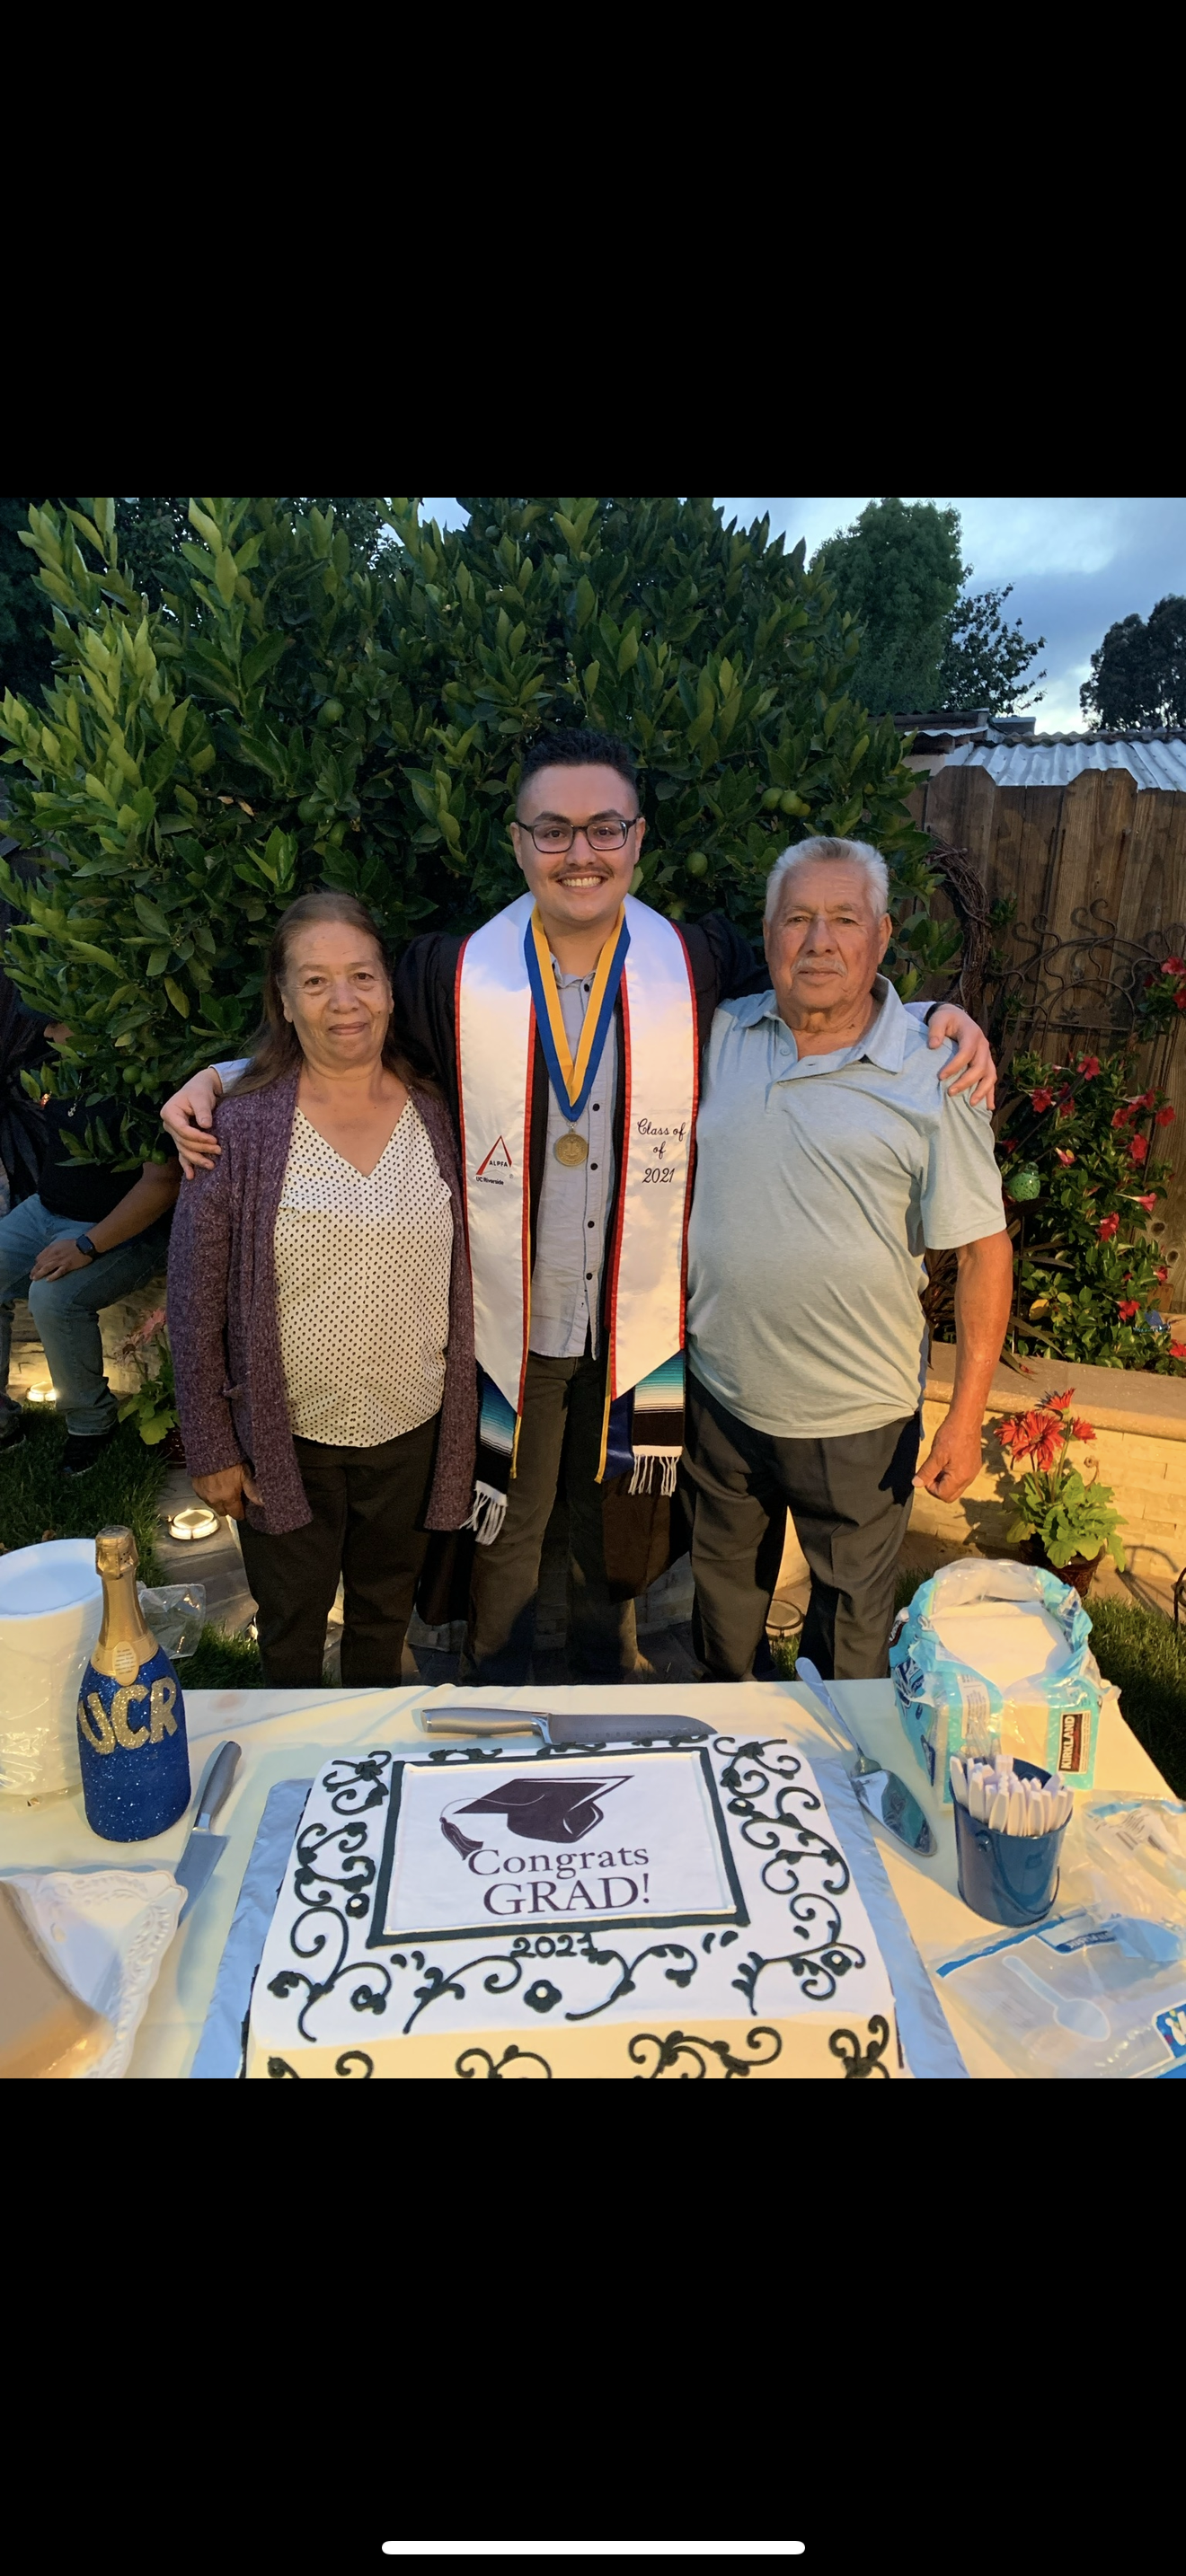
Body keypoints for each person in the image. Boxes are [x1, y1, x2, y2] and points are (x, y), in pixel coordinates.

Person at [161, 731, 996, 1684]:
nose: (581, 853)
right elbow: (346, 1041)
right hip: (515, 1327)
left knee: (618, 1526)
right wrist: (229, 1076)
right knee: (507, 1524)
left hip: (644, 1325)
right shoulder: (455, 974)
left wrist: (935, 1016)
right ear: (518, 844)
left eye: (604, 828)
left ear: (638, 841)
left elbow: (829, 983)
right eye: (553, 830)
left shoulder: (695, 963)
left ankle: (607, 1674)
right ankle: (497, 1680)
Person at [682, 835, 1013, 1683]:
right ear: (767, 936)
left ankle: (840, 1802)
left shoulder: (938, 1067)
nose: (818, 941)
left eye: (843, 919)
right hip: (722, 1398)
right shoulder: (719, 1038)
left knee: (853, 1658)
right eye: (798, 918)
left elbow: (983, 1251)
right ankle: (741, 1777)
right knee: (722, 1634)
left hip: (859, 1419)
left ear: (883, 934)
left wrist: (967, 1414)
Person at [167, 892, 477, 1687]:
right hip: (284, 1440)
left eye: (362, 976)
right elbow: (196, 1299)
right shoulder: (238, 1125)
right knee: (293, 1626)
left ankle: (366, 1773)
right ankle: (296, 1772)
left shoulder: (440, 1112)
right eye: (315, 982)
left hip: (410, 1428)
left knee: (382, 1618)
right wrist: (210, 1444)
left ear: (389, 988)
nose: (345, 1002)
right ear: (283, 999)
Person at [0, 1021, 180, 1473]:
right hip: (44, 1211)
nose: (46, 1032)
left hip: (126, 1232)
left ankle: (90, 1423)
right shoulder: (61, 1071)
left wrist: (85, 1245)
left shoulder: (144, 1082)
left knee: (55, 1298)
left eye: (57, 1022)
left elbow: (163, 1183)